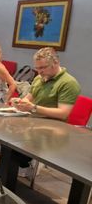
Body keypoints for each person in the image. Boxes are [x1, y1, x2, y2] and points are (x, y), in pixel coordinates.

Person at [12, 47, 80, 177]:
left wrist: (34, 108)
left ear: (56, 63)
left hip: (53, 126)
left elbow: (63, 113)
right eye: (37, 68)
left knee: (16, 141)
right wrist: (19, 102)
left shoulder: (69, 83)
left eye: (43, 67)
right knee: (7, 132)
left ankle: (26, 163)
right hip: (33, 120)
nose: (39, 71)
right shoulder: (39, 78)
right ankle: (22, 164)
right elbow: (29, 98)